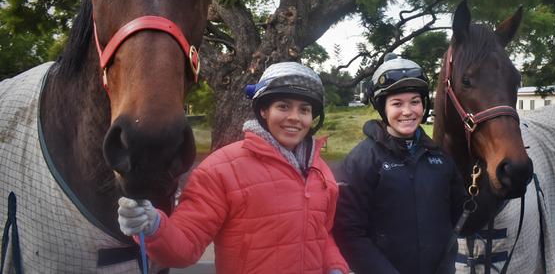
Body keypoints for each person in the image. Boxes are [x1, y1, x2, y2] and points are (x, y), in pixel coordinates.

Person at [117, 62, 349, 274]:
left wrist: (335, 267)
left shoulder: (319, 169)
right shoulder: (221, 169)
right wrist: (153, 226)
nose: (295, 118)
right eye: (283, 106)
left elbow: (323, 235)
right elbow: (185, 245)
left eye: (304, 110)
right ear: (263, 111)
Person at [333, 53, 465, 274]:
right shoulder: (362, 161)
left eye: (415, 102)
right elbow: (348, 233)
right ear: (382, 107)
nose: (407, 111)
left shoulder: (440, 158)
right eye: (397, 104)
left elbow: (459, 218)